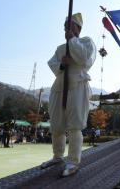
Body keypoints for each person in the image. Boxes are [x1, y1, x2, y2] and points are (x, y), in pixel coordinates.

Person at [41, 13, 96, 177]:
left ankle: (73, 161)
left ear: (78, 28)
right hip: (59, 86)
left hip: (77, 85)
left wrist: (72, 40)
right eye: (66, 26)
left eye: (71, 25)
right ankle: (57, 156)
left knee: (75, 125)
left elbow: (85, 60)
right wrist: (62, 65)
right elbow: (52, 63)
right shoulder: (60, 48)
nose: (67, 28)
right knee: (57, 125)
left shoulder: (87, 41)